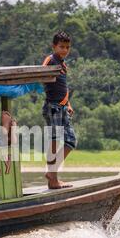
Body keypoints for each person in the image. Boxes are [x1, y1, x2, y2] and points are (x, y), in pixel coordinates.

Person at [42, 31, 77, 189]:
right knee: (54, 141)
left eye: (67, 47)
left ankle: (52, 174)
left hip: (63, 107)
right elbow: (41, 73)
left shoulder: (63, 64)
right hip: (53, 106)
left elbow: (64, 86)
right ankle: (53, 179)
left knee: (71, 140)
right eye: (61, 47)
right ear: (54, 46)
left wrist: (68, 103)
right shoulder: (50, 60)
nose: (64, 50)